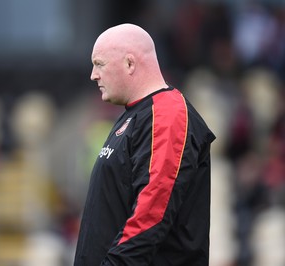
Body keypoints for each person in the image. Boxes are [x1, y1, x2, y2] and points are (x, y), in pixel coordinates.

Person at [74, 23, 216, 266]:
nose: (93, 74)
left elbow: (152, 211)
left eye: (99, 64)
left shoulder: (167, 113)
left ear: (130, 63)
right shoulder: (136, 115)